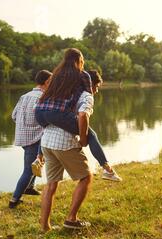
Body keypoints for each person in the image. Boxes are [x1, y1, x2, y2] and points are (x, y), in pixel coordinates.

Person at [35, 48, 122, 182]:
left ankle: (39, 158)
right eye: (82, 61)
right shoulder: (83, 75)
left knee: (48, 129)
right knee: (90, 134)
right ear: (79, 61)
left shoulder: (57, 74)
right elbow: (88, 95)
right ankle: (107, 169)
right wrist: (82, 137)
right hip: (56, 113)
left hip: (39, 111)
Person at [39, 70, 105, 232]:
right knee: (86, 177)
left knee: (51, 184)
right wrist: (83, 139)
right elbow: (83, 116)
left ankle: (44, 226)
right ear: (90, 84)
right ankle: (71, 219)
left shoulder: (63, 92)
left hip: (47, 141)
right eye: (96, 86)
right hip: (64, 143)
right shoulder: (86, 96)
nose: (96, 90)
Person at [9, 70, 52, 209]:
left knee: (36, 162)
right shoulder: (43, 97)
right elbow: (45, 119)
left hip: (23, 136)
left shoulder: (25, 96)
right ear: (46, 82)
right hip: (34, 138)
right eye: (52, 81)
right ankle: (14, 200)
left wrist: (24, 126)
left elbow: (14, 116)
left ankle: (29, 187)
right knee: (28, 169)